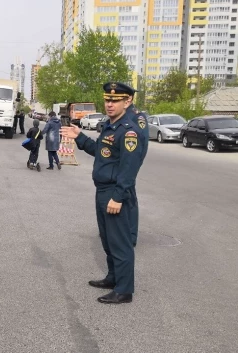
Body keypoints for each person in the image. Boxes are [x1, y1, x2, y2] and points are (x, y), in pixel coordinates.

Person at [60, 82, 145, 305]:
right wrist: (79, 136)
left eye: (115, 100)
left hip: (116, 192)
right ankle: (113, 278)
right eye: (107, 100)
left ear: (127, 101)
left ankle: (124, 290)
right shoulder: (111, 126)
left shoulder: (129, 131)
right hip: (103, 190)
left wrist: (118, 197)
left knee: (120, 243)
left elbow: (129, 169)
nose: (109, 104)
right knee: (108, 240)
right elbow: (101, 152)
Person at [126, 93, 149, 247]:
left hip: (128, 166)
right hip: (115, 166)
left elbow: (143, 142)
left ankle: (131, 235)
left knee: (129, 200)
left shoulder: (137, 117)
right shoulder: (117, 116)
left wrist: (134, 167)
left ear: (129, 99)